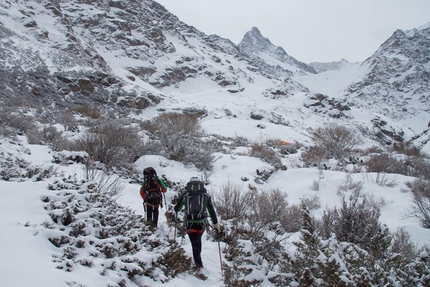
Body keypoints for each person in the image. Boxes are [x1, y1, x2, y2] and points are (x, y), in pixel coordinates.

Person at [174, 176, 220, 271]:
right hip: (201, 223)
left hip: (190, 223)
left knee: (195, 244)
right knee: (197, 242)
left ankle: (198, 265)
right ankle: (199, 262)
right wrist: (215, 224)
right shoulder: (205, 196)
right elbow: (211, 210)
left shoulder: (185, 195)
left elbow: (176, 209)